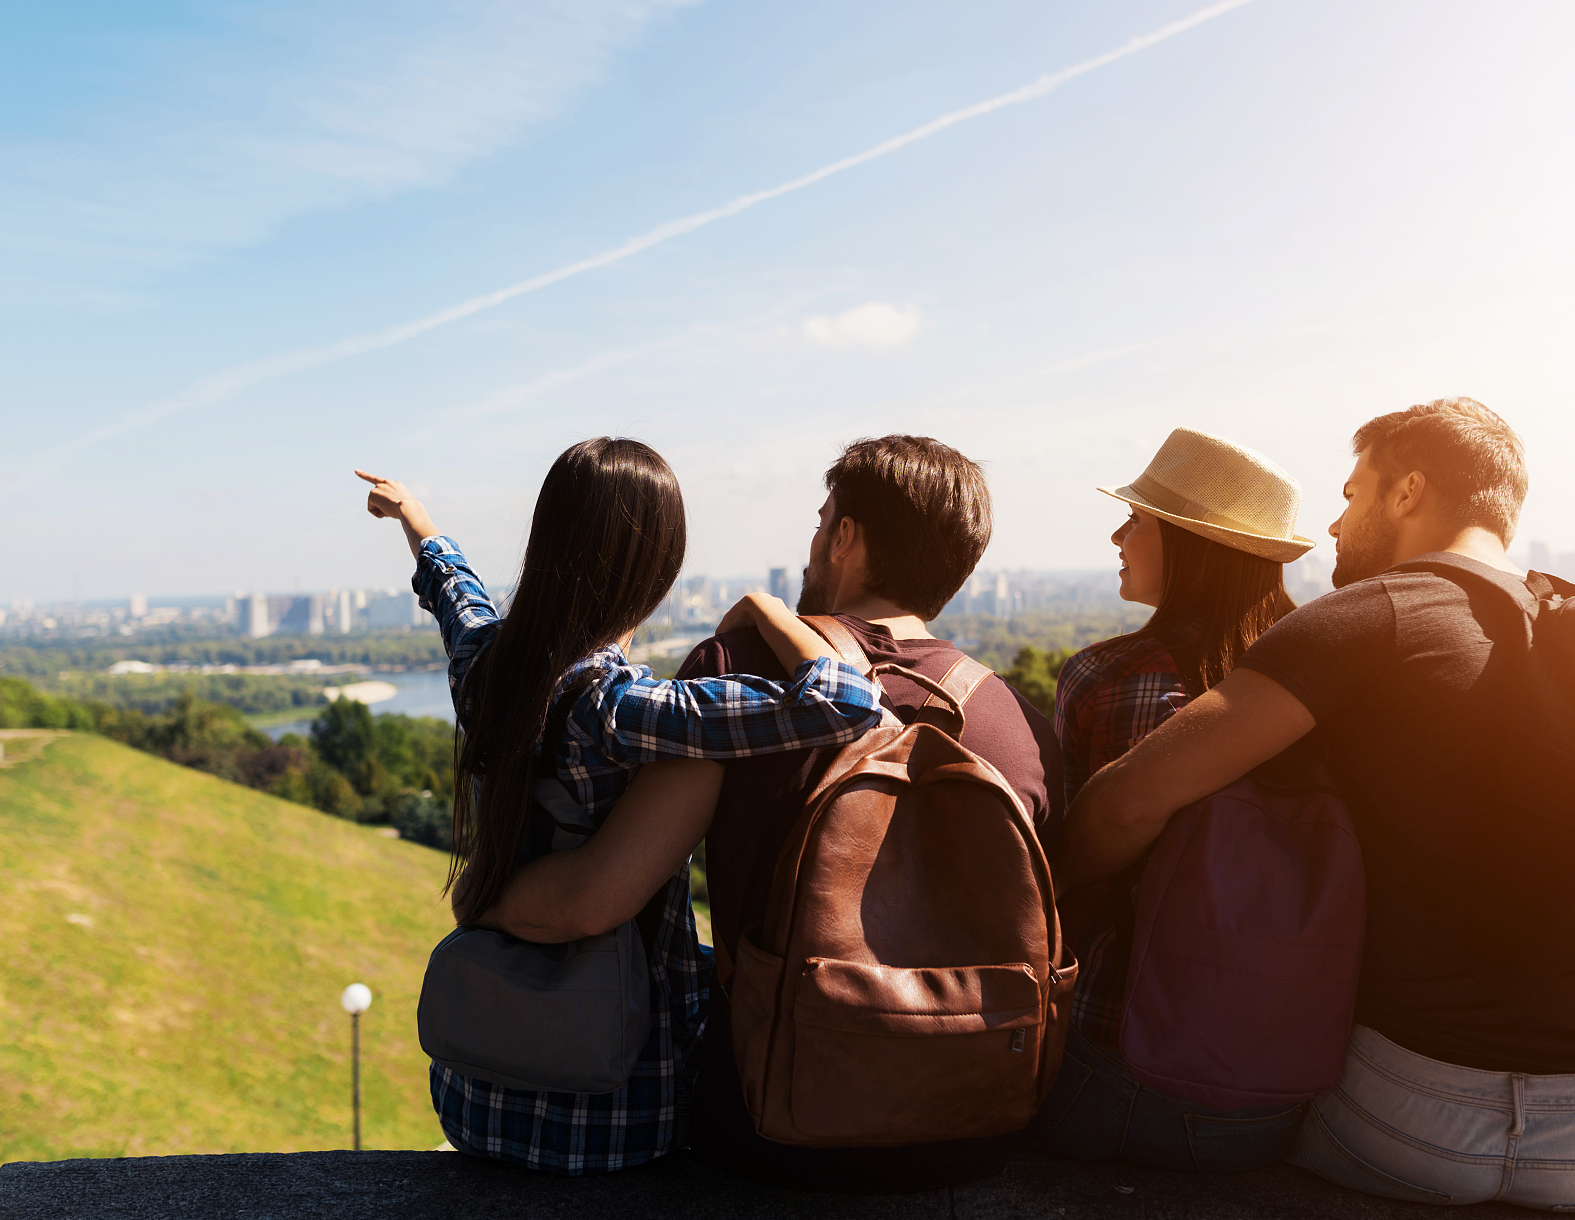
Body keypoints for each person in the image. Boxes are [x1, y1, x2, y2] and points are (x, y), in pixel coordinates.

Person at [1060, 398, 1575, 1211]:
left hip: (1341, 1104)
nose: (1337, 521)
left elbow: (1121, 810)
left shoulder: (1343, 634)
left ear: (1407, 490)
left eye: (1352, 494)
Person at [483, 435, 1064, 1191]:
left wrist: (487, 897)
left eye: (822, 522)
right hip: (977, 1134)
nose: (813, 545)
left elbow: (597, 895)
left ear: (846, 538)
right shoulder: (1019, 724)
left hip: (766, 1131)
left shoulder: (735, 672)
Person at [356, 439, 885, 1177]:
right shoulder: (620, 707)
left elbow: (456, 589)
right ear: (656, 566)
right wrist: (766, 610)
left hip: (476, 1098)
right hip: (618, 1115)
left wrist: (414, 516)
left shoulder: (486, 665)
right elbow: (848, 700)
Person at [1036, 427, 1316, 1170]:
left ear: (1192, 546)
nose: (1118, 533)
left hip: (1121, 1066)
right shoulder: (1322, 689)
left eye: (1139, 520)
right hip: (1287, 1075)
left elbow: (1064, 869)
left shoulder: (1112, 675)